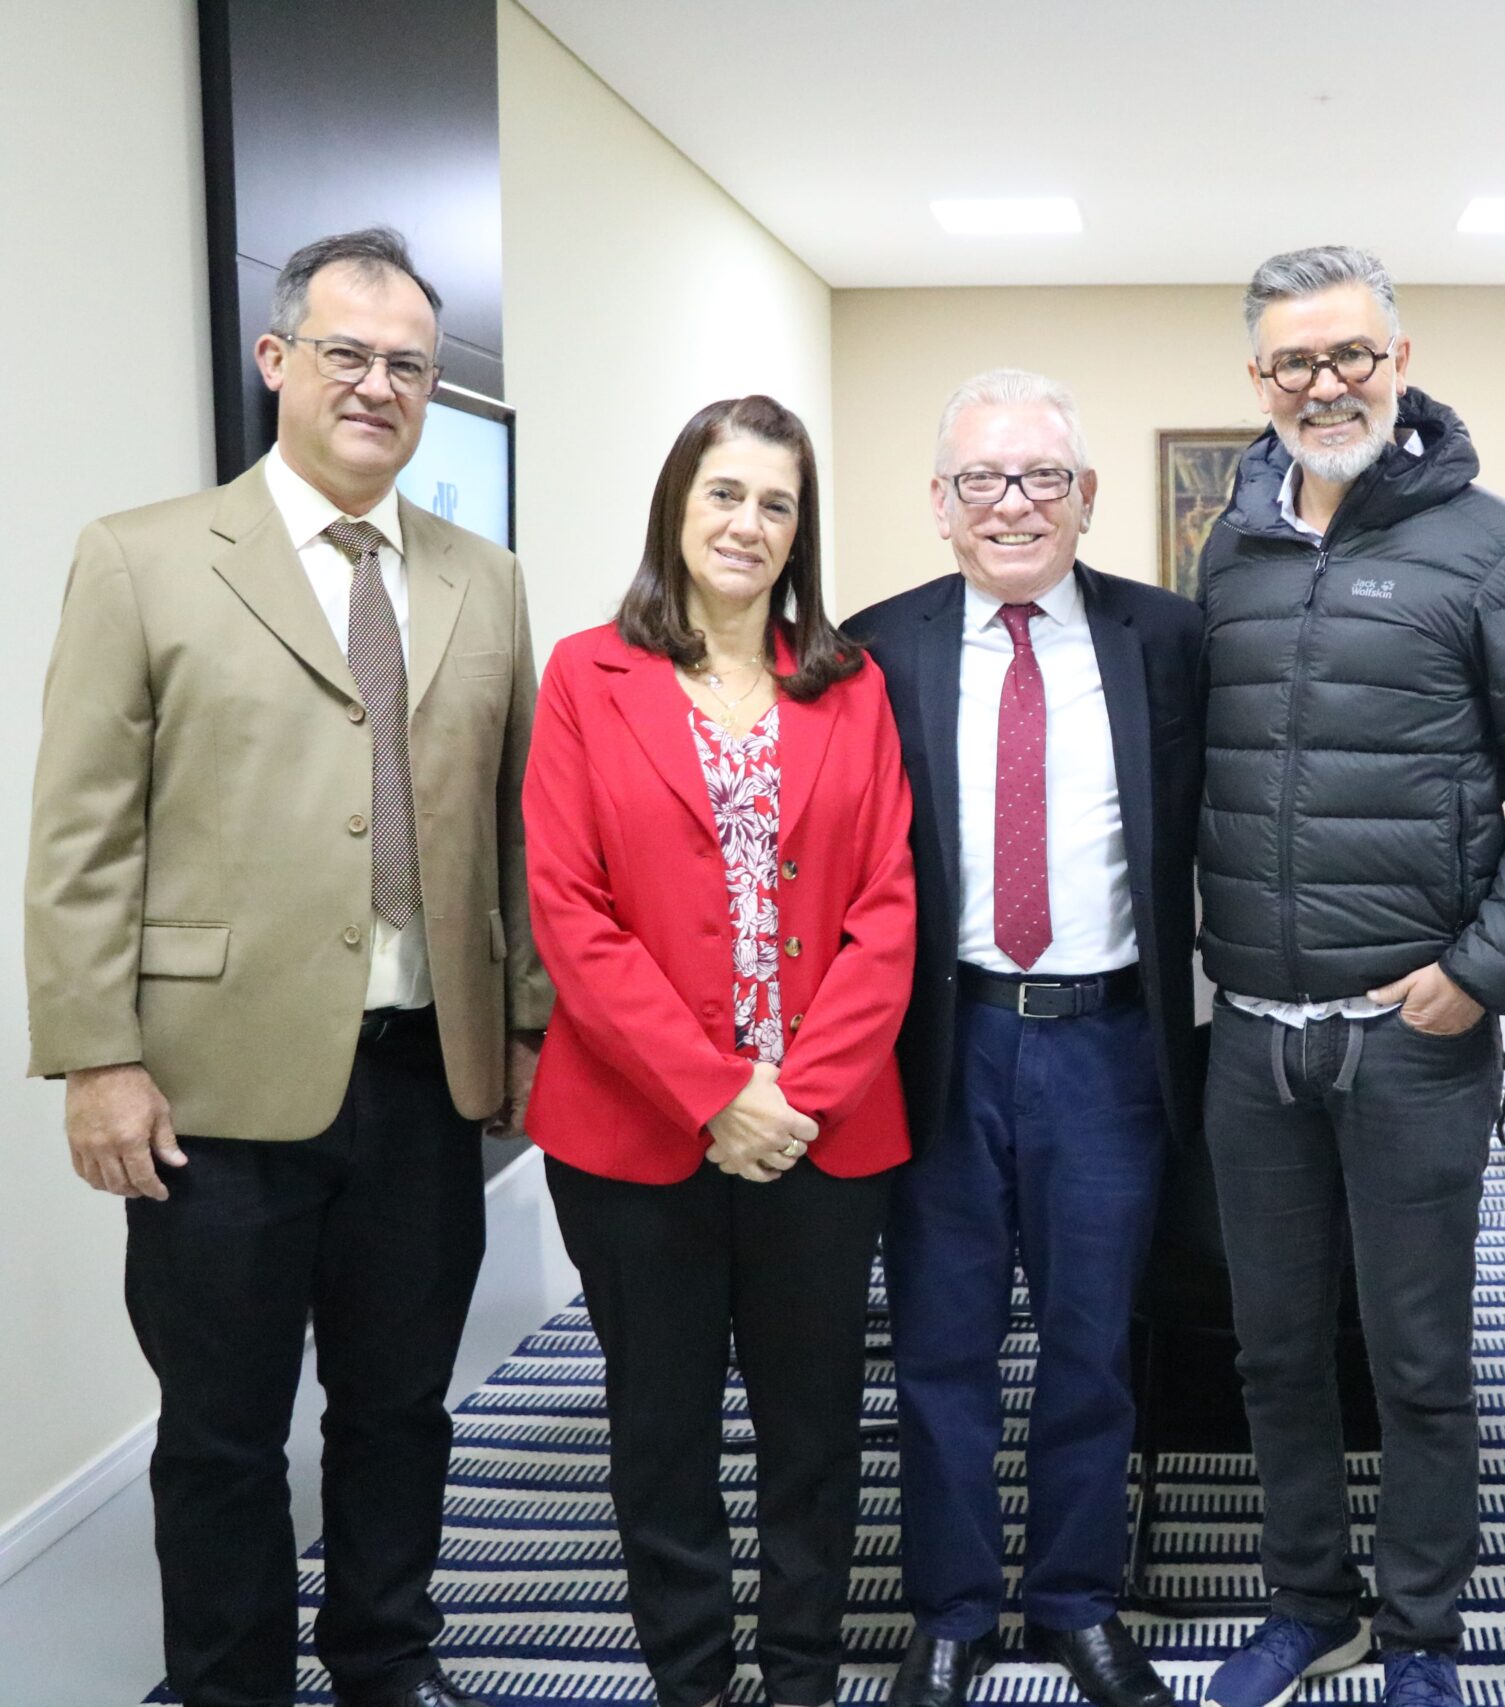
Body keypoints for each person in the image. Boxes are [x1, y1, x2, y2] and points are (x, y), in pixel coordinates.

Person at [24, 227, 547, 1707]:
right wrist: (98, 1057)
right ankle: (232, 1681)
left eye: (409, 365)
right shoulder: (141, 557)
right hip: (209, 1090)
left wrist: (519, 1026)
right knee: (222, 1432)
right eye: (347, 354)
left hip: (422, 1081)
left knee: (400, 1412)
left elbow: (510, 830)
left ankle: (385, 1657)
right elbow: (79, 837)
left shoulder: (482, 580)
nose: (378, 385)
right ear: (277, 360)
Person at [1194, 245, 1505, 1707]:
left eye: (1353, 356)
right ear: (1259, 380)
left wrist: (1481, 975)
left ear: (1401, 358)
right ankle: (1313, 1603)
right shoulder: (1229, 556)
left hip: (1412, 1039)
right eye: (1296, 362)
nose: (1327, 384)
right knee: (1275, 1354)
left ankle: (1421, 1627)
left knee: (1421, 1360)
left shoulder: (1492, 549)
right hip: (1252, 1035)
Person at [521, 394, 915, 1707]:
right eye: (725, 494)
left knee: (814, 1436)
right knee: (661, 1428)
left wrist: (789, 1101)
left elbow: (885, 908)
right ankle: (691, 1677)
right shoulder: (588, 675)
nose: (749, 524)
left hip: (823, 1131)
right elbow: (568, 911)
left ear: (801, 532)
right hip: (635, 1135)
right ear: (677, 509)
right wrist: (711, 1097)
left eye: (778, 503)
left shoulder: (849, 683)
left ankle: (801, 1674)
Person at [849, 369, 1204, 1707]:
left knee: (1090, 1339)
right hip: (944, 1044)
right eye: (983, 480)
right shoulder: (877, 647)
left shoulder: (1165, 639)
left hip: (1110, 1047)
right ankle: (947, 1609)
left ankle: (1072, 1599)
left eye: (1042, 477)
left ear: (1088, 499)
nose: (1013, 503)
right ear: (939, 506)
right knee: (939, 1346)